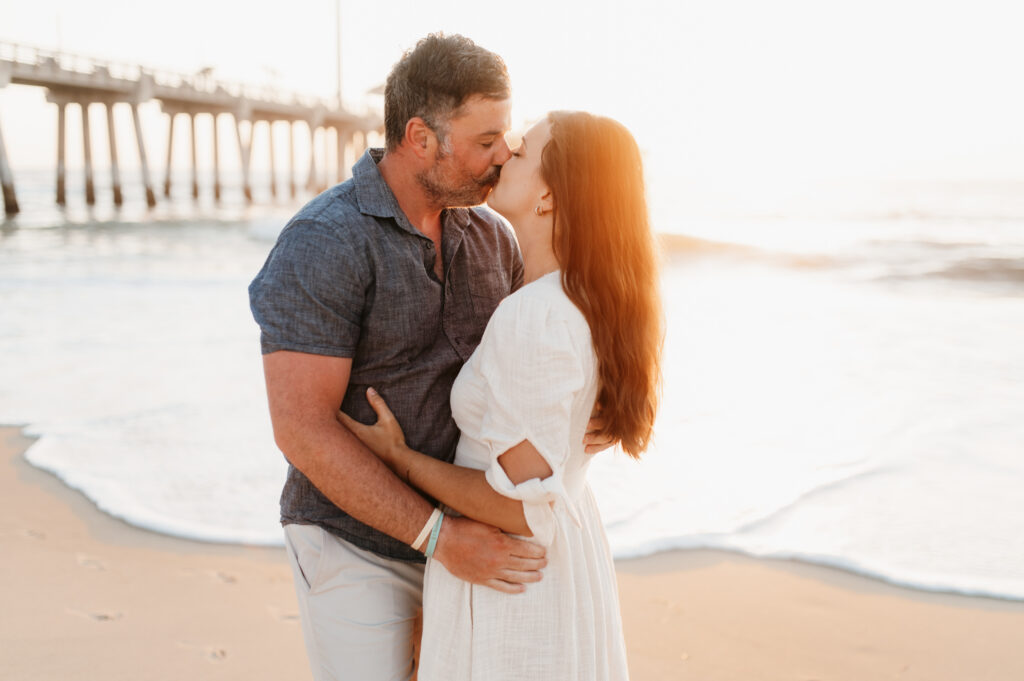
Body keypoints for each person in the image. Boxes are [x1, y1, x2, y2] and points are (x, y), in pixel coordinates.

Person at [249, 35, 610, 681]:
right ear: (420, 137)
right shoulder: (325, 242)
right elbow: (300, 428)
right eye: (486, 140)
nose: (504, 155)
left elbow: (536, 371)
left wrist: (590, 422)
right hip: (356, 541)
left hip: (473, 526)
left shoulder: (492, 236)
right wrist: (438, 537)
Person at [340, 111, 663, 680]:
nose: (501, 155)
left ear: (549, 197)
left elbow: (520, 510)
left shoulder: (535, 316)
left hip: (516, 583)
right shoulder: (584, 302)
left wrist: (400, 459)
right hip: (563, 559)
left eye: (520, 149)